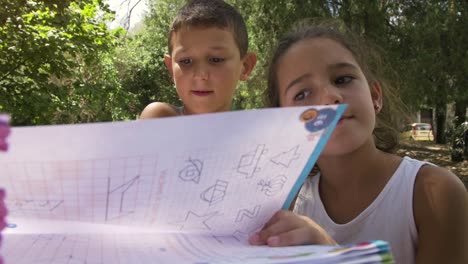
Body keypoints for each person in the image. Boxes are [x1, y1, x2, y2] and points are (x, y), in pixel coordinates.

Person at [248, 19, 468, 264]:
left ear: (375, 97)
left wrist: (335, 255)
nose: (331, 97)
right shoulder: (286, 208)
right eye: (302, 93)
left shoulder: (435, 193)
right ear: (284, 123)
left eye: (342, 79)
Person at [140, 0, 257, 118]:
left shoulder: (258, 131)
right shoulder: (160, 118)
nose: (200, 75)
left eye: (216, 59)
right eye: (186, 61)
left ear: (245, 67)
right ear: (170, 68)